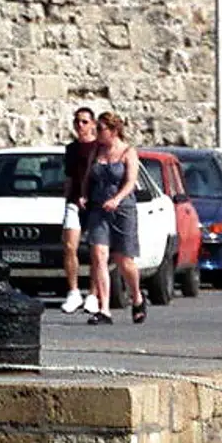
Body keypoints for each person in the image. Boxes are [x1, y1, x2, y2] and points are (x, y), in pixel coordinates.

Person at [82, 110, 145, 325]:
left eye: (100, 129)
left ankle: (137, 297)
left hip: (123, 210)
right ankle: (104, 309)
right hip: (99, 208)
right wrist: (83, 195)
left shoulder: (128, 152)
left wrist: (117, 199)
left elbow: (130, 182)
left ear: (113, 130)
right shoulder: (96, 151)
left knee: (124, 260)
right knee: (99, 255)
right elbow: (87, 177)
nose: (96, 133)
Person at [60, 105, 99, 313]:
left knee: (95, 249)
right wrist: (67, 199)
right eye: (77, 121)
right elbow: (68, 176)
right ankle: (74, 291)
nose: (80, 125)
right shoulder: (71, 149)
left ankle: (93, 294)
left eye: (84, 121)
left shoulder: (99, 147)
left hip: (94, 204)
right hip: (74, 202)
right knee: (69, 246)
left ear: (92, 124)